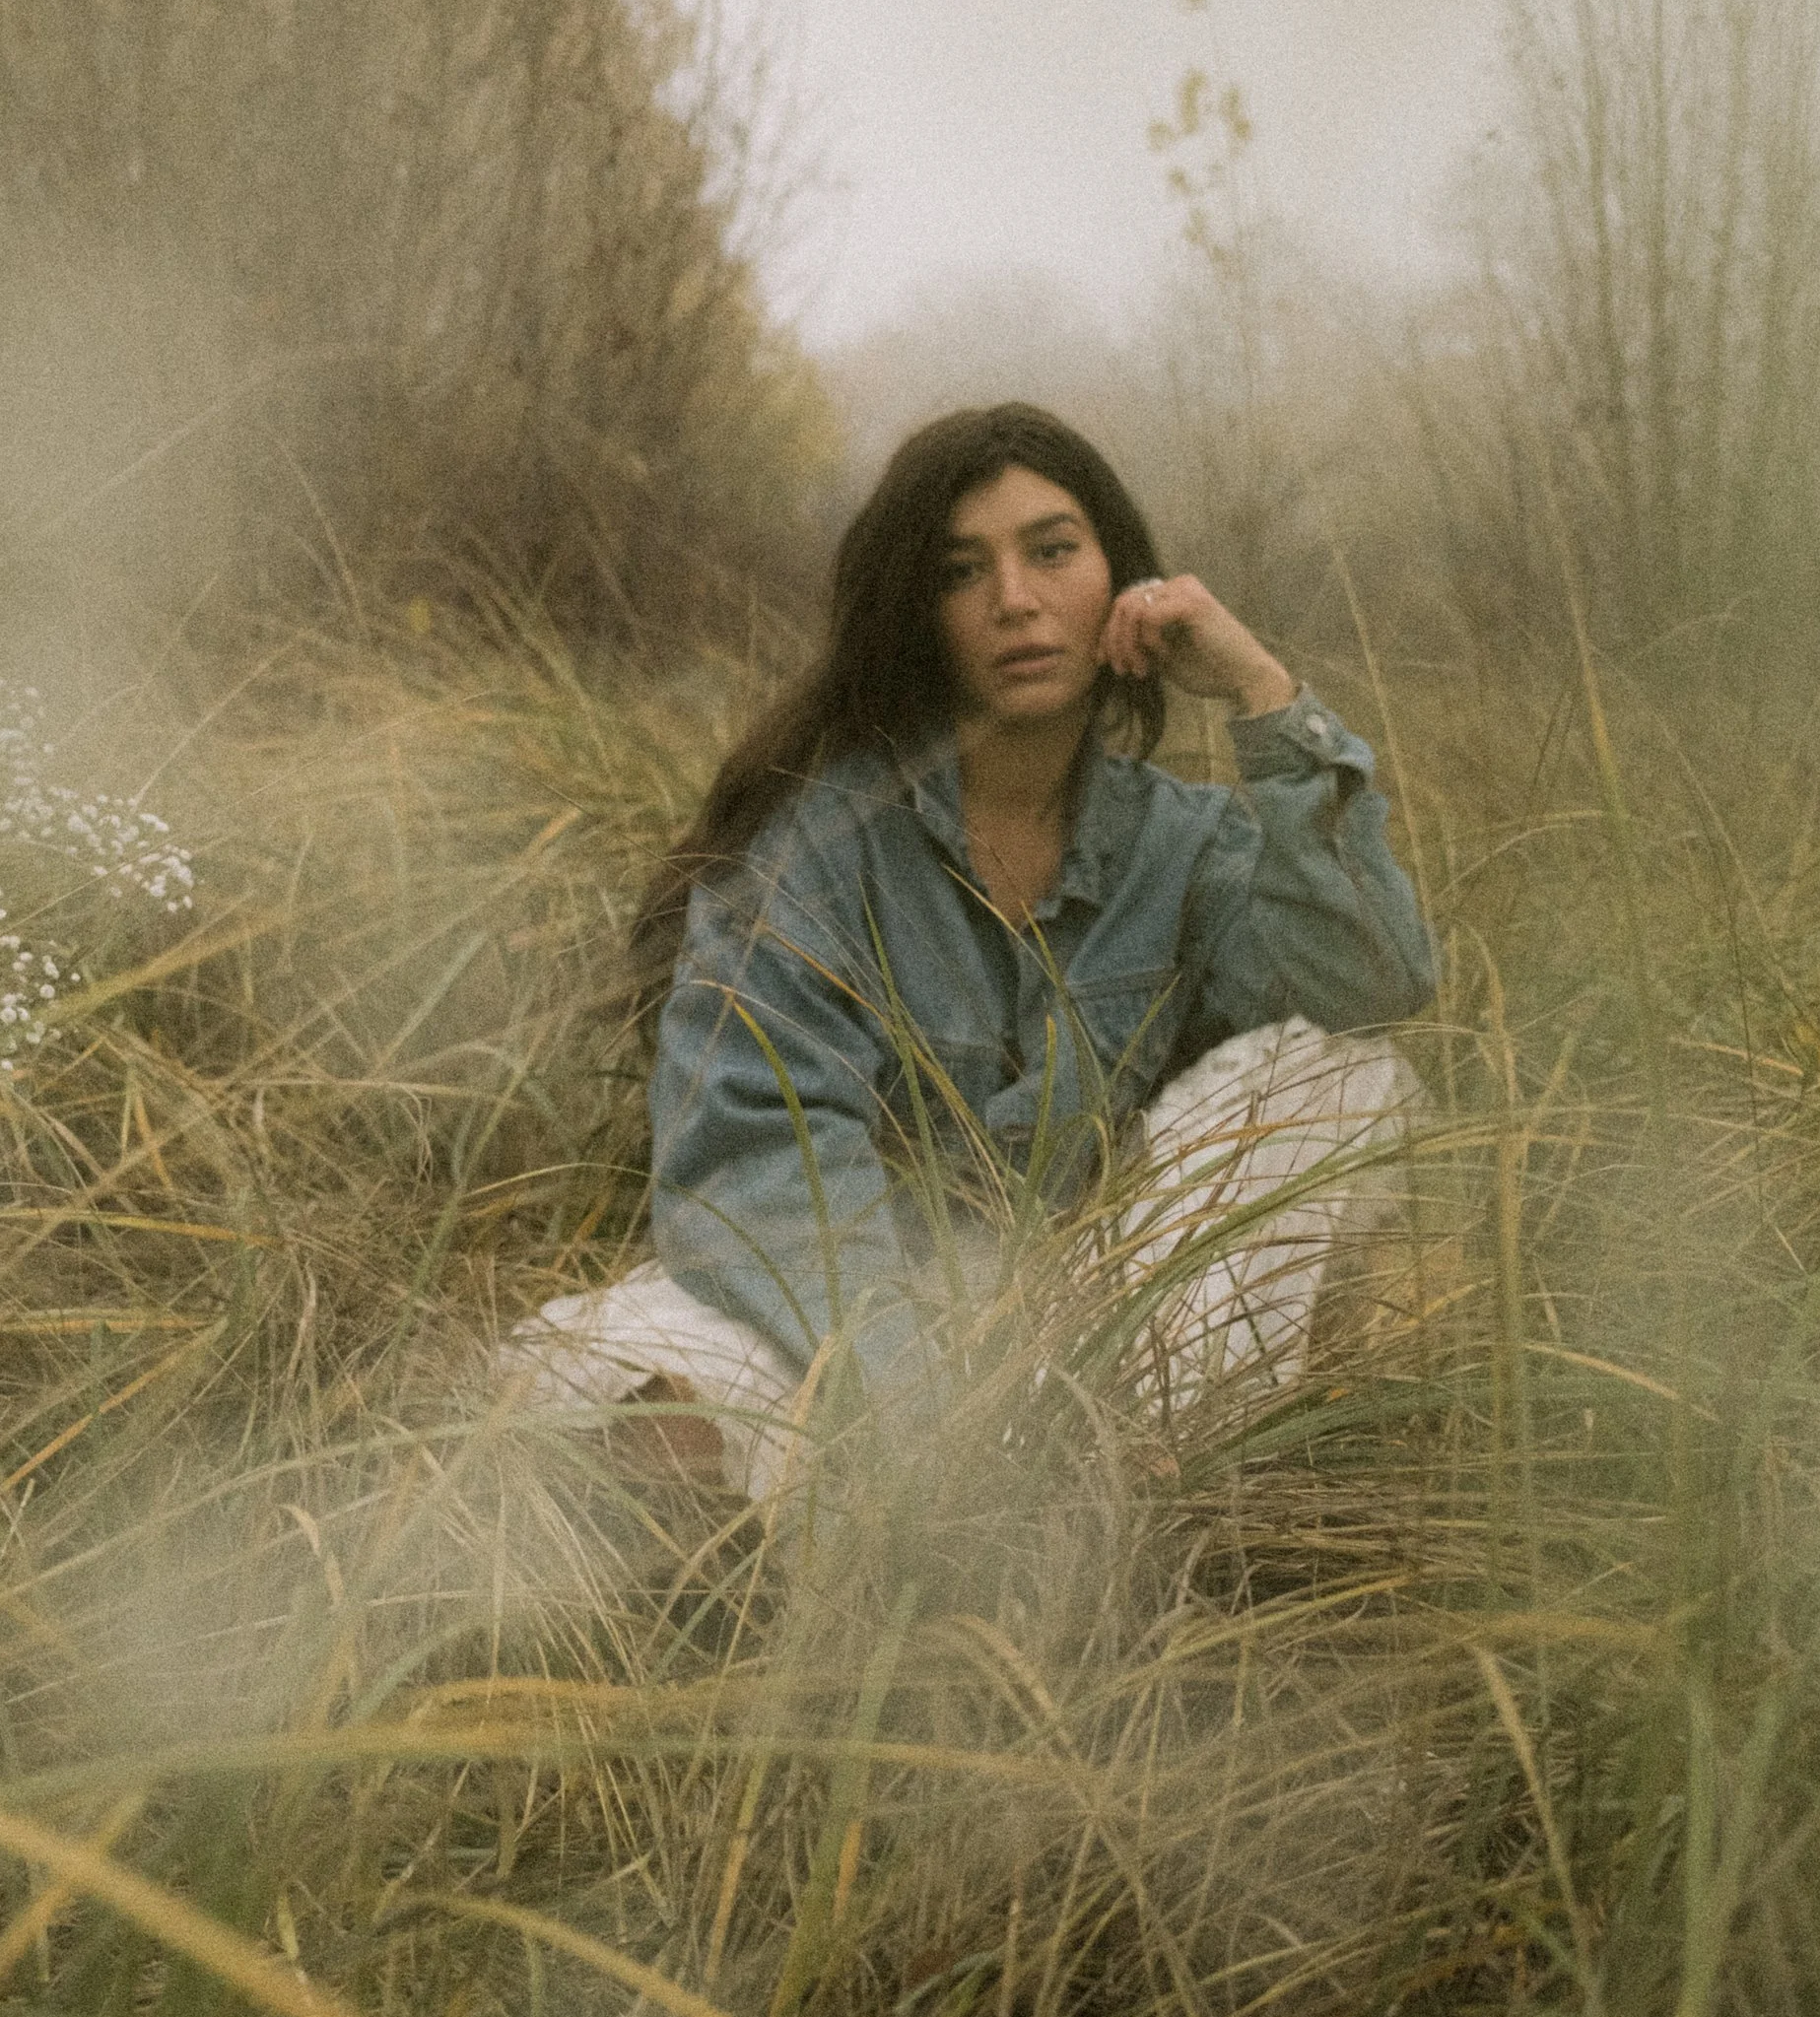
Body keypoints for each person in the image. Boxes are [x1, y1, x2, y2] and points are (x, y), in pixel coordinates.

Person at [501, 403, 1435, 1493]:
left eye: (1052, 551)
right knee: (602, 1391)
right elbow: (759, 1172)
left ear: (1123, 584)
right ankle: (1062, 1484)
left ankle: (1111, 1460)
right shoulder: (813, 850)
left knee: (1336, 1074)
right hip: (861, 1313)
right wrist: (932, 1406)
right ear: (917, 614)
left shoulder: (1186, 844)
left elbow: (1373, 974)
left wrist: (1261, 693)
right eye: (960, 570)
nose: (1016, 600)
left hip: (1098, 1306)